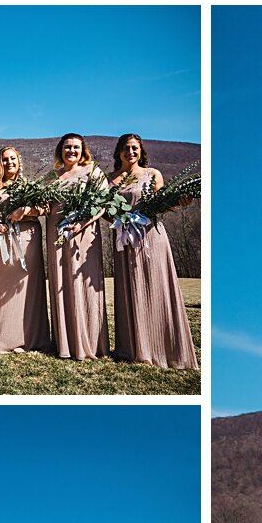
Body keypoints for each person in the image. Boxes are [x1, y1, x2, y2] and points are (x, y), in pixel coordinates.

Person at [106, 133, 198, 368]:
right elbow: (106, 211)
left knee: (155, 287)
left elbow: (163, 204)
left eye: (135, 148)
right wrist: (120, 219)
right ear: (119, 151)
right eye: (126, 148)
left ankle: (163, 347)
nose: (131, 152)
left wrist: (180, 201)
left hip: (151, 237)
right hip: (124, 240)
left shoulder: (152, 174)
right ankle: (132, 347)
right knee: (129, 289)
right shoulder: (110, 180)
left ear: (141, 151)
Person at [47, 133, 108, 359]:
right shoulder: (52, 175)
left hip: (84, 234)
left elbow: (102, 203)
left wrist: (81, 223)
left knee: (83, 283)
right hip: (57, 234)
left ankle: (91, 342)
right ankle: (65, 343)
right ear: (60, 150)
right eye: (67, 147)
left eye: (75, 147)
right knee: (62, 281)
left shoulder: (92, 171)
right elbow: (44, 205)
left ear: (83, 151)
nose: (71, 151)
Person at [0, 146, 52, 353]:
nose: (9, 163)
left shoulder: (29, 185)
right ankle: (5, 339)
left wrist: (26, 210)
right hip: (1, 241)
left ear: (19, 159)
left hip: (27, 239)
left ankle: (30, 338)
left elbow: (45, 208)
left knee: (27, 287)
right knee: (2, 289)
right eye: (4, 160)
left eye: (12, 158)